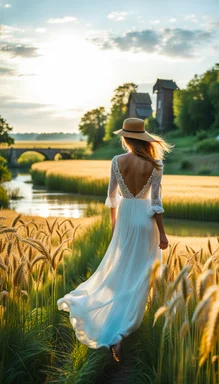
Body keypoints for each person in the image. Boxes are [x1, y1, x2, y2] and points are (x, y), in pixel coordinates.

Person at [57, 117, 173, 363]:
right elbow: (155, 203)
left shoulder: (116, 161)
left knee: (120, 272)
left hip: (125, 219)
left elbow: (111, 196)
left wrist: (114, 226)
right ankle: (122, 330)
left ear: (126, 139)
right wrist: (162, 233)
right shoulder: (155, 164)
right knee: (142, 275)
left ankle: (112, 325)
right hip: (145, 221)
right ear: (143, 139)